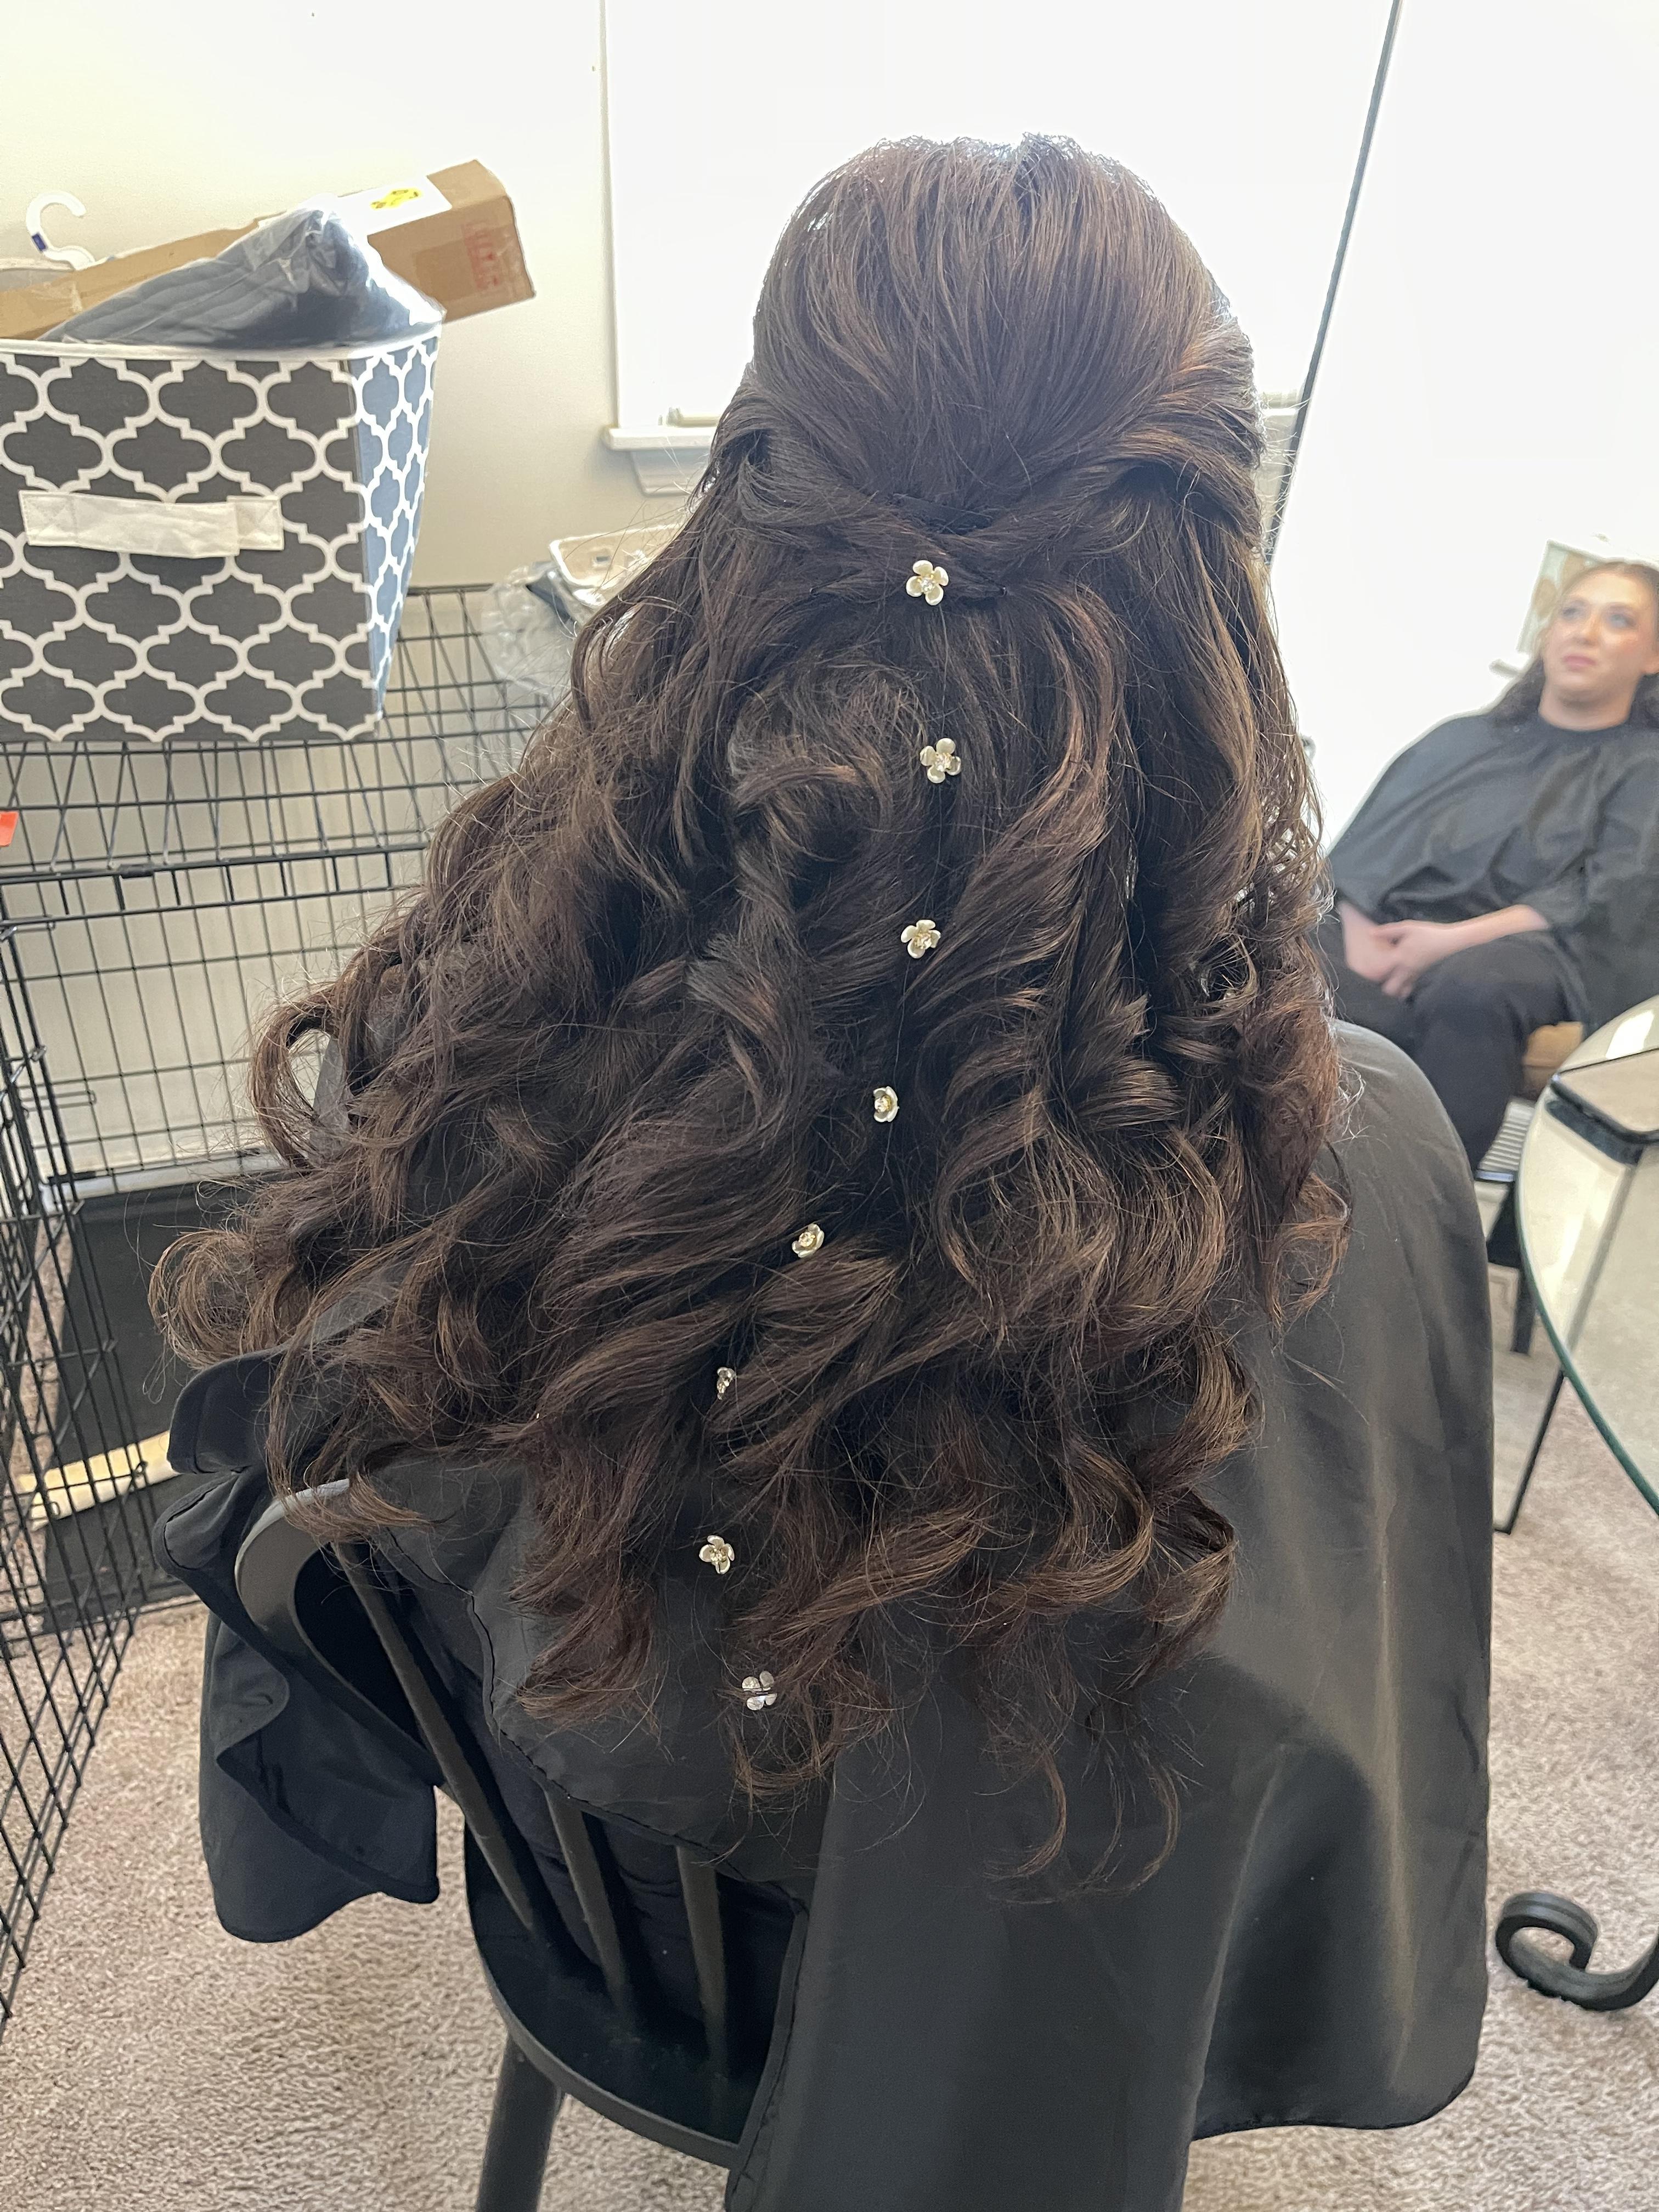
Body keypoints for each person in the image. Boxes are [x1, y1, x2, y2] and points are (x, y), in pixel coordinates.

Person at [151, 138, 1492, 2212]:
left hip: (630, 1878)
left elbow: (329, 1443)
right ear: (1202, 591)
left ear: (739, 527)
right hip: (990, 1935)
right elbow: (1347, 1649)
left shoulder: (505, 1015)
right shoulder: (1361, 1135)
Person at [1321, 560, 1659, 1167]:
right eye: (1573, 613)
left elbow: (1608, 892)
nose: (1585, 633)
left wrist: (1448, 944)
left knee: (1473, 988)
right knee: (1278, 951)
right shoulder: (1462, 739)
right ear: (1549, 635)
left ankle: (1423, 1197)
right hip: (1393, 932)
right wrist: (1360, 931)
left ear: (1653, 656)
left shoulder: (1646, 766)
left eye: (1618, 620)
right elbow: (1365, 850)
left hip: (1543, 948)